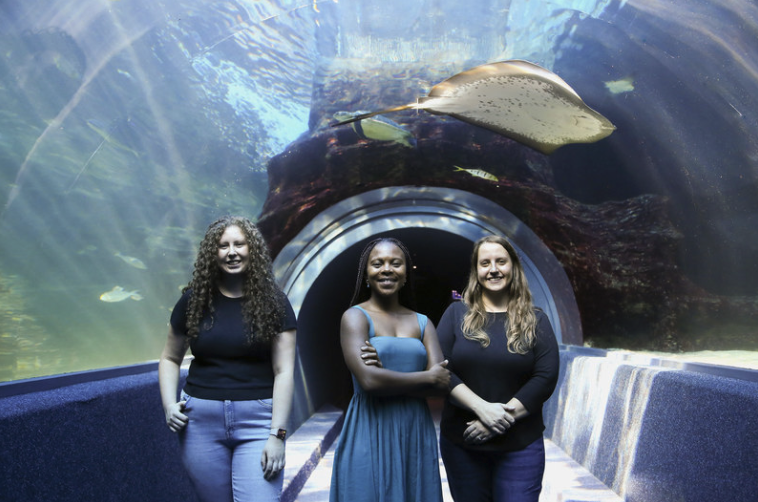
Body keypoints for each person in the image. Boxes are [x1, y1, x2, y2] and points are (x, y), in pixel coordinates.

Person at [159, 216, 297, 502]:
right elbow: (170, 358)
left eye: (239, 244)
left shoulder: (275, 302)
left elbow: (284, 371)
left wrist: (278, 435)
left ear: (252, 249)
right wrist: (169, 405)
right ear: (213, 253)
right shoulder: (193, 301)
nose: (231, 251)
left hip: (259, 422)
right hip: (200, 425)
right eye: (223, 246)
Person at [436, 235, 560, 502]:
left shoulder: (536, 320)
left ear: (513, 267)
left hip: (521, 446)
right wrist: (482, 408)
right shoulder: (455, 314)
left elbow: (545, 377)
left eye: (501, 261)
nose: (493, 269)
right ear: (476, 271)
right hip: (462, 444)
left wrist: (498, 420)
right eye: (485, 263)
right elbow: (440, 369)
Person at [329, 237, 450, 502]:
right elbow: (370, 382)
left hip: (414, 432)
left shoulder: (422, 323)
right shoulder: (355, 317)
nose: (387, 269)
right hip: (369, 428)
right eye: (378, 264)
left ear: (406, 274)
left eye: (395, 263)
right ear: (367, 275)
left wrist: (389, 375)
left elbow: (441, 383)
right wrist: (424, 376)